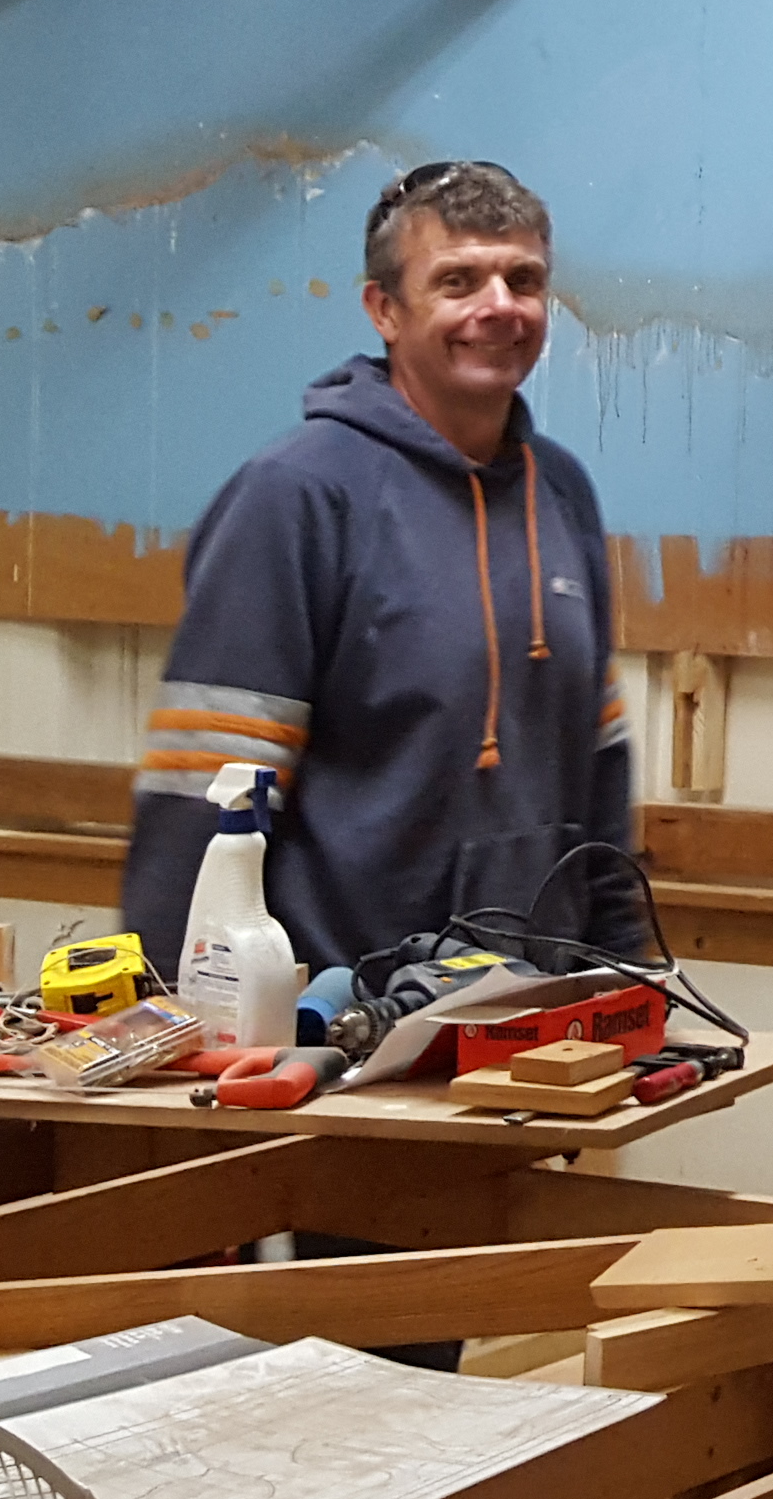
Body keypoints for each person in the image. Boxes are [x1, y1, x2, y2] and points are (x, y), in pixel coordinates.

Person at [122, 157, 651, 983]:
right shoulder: (296, 495)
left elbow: (599, 774)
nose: (499, 306)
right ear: (385, 310)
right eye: (458, 281)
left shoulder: (562, 492)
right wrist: (176, 1010)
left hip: (531, 1017)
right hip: (337, 1020)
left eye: (523, 279)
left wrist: (627, 983)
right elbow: (207, 789)